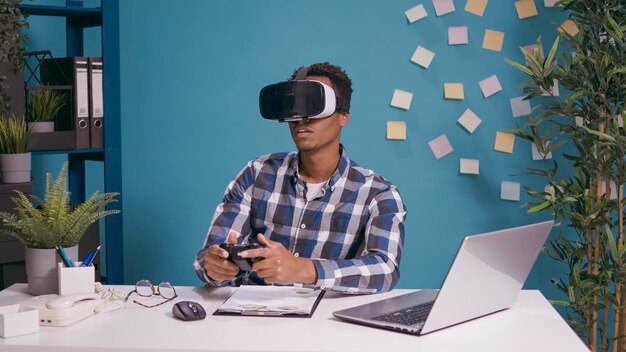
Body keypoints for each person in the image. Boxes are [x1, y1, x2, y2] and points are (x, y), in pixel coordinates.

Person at [194, 62, 406, 294]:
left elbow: (385, 270)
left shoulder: (378, 193)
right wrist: (216, 268)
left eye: (315, 106)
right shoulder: (257, 173)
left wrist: (304, 270)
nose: (301, 118)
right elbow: (209, 258)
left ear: (343, 116)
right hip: (249, 315)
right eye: (294, 106)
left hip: (326, 323)